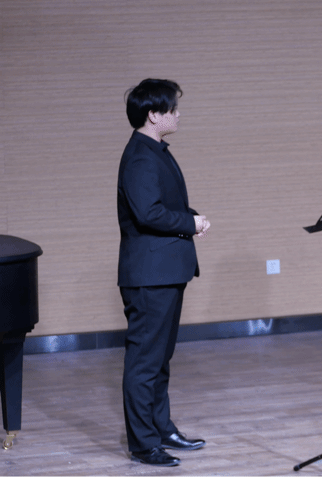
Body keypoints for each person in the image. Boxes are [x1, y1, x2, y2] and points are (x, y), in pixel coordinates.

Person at [117, 79, 211, 466]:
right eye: (173, 109)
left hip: (164, 272)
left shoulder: (155, 151)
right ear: (154, 115)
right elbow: (148, 213)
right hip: (149, 276)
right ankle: (143, 443)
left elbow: (161, 205)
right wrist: (190, 223)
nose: (178, 114)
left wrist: (191, 218)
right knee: (145, 362)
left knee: (160, 359)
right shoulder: (140, 157)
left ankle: (161, 428)